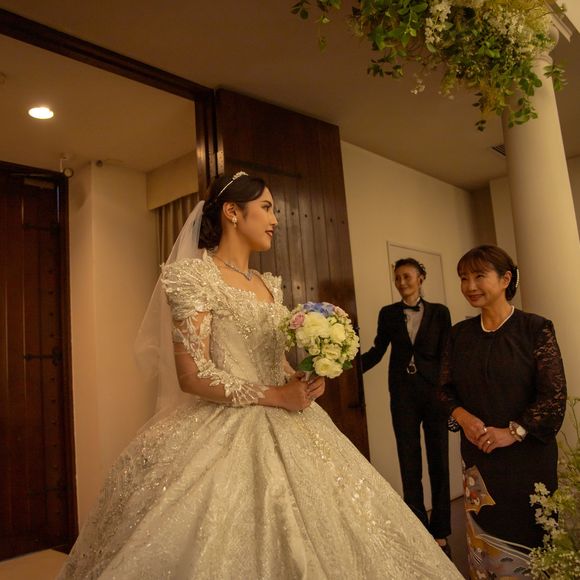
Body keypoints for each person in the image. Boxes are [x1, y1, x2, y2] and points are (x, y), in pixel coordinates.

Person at [58, 172, 461, 579]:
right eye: (266, 208)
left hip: (293, 418)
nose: (275, 219)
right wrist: (276, 395)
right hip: (224, 424)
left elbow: (275, 360)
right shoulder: (194, 277)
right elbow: (192, 375)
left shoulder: (268, 284)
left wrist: (303, 377)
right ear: (233, 212)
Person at [438, 245, 567, 577]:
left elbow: (553, 397)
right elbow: (443, 390)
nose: (469, 286)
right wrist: (462, 417)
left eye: (479, 276)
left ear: (505, 279)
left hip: (527, 461)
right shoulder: (458, 335)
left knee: (533, 539)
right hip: (479, 459)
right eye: (463, 278)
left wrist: (512, 432)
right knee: (484, 545)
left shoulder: (535, 329)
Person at [361, 258, 452, 555]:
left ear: (420, 278)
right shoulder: (388, 313)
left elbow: (447, 355)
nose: (401, 282)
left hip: (435, 394)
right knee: (408, 461)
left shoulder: (440, 312)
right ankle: (418, 527)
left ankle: (440, 530)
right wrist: (346, 369)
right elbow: (377, 350)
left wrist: (451, 394)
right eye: (397, 278)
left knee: (439, 460)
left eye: (407, 277)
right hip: (402, 394)